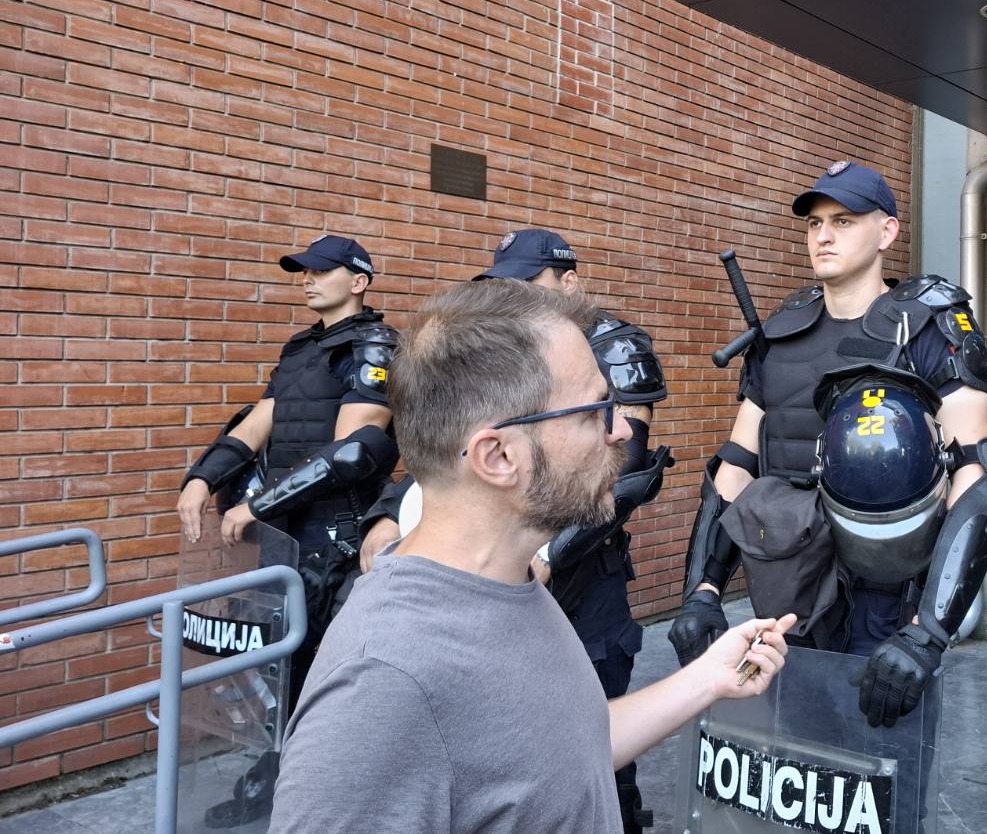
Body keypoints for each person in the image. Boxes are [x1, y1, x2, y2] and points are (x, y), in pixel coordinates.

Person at [267, 280, 793, 834]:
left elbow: (562, 752)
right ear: (498, 456)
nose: (620, 430)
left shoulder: (509, 584)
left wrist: (708, 680)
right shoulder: (381, 685)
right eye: (595, 410)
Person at [667, 160, 987, 729]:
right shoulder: (780, 334)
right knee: (794, 776)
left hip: (887, 606)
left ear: (887, 232)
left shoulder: (929, 328)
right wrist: (702, 589)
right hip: (786, 595)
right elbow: (735, 467)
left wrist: (927, 634)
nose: (822, 235)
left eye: (844, 220)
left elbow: (980, 478)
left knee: (880, 791)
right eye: (814, 223)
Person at [356, 229, 670, 833]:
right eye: (505, 285)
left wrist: (549, 553)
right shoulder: (379, 669)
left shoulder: (611, 345)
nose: (516, 296)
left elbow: (622, 466)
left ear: (569, 281)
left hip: (578, 575)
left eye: (529, 283)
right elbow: (452, 438)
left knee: (596, 753)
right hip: (495, 576)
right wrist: (390, 514)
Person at [176, 234, 399, 827]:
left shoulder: (375, 345)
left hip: (338, 534)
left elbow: (354, 452)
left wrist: (259, 506)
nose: (307, 279)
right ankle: (283, 783)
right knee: (282, 667)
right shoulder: (300, 349)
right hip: (284, 534)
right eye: (303, 270)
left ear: (359, 281)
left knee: (328, 670)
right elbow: (258, 424)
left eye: (322, 271)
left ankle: (334, 796)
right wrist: (202, 478)